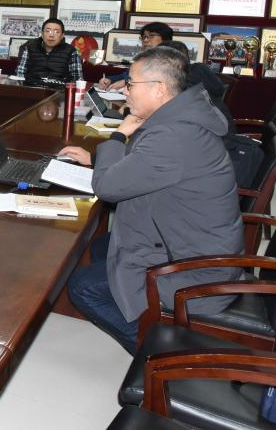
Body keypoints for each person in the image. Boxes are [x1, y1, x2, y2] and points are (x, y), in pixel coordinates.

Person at [59, 47, 243, 352]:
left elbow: (107, 187)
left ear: (159, 89)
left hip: (195, 271)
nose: (125, 91)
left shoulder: (173, 136)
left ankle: (164, 354)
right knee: (104, 246)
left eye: (131, 84)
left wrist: (119, 135)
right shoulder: (182, 118)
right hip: (190, 245)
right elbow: (146, 163)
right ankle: (145, 316)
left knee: (83, 287)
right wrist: (96, 159)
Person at [98, 22, 173, 90]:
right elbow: (126, 75)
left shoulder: (171, 60)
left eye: (151, 36)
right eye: (144, 37)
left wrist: (126, 82)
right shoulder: (143, 58)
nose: (145, 40)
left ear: (165, 39)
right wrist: (109, 80)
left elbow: (154, 80)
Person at [14, 18, 83, 86]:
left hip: (59, 91)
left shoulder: (71, 51)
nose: (51, 35)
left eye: (56, 32)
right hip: (32, 89)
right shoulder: (29, 47)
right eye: (48, 31)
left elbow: (77, 80)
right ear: (42, 34)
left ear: (62, 36)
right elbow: (19, 74)